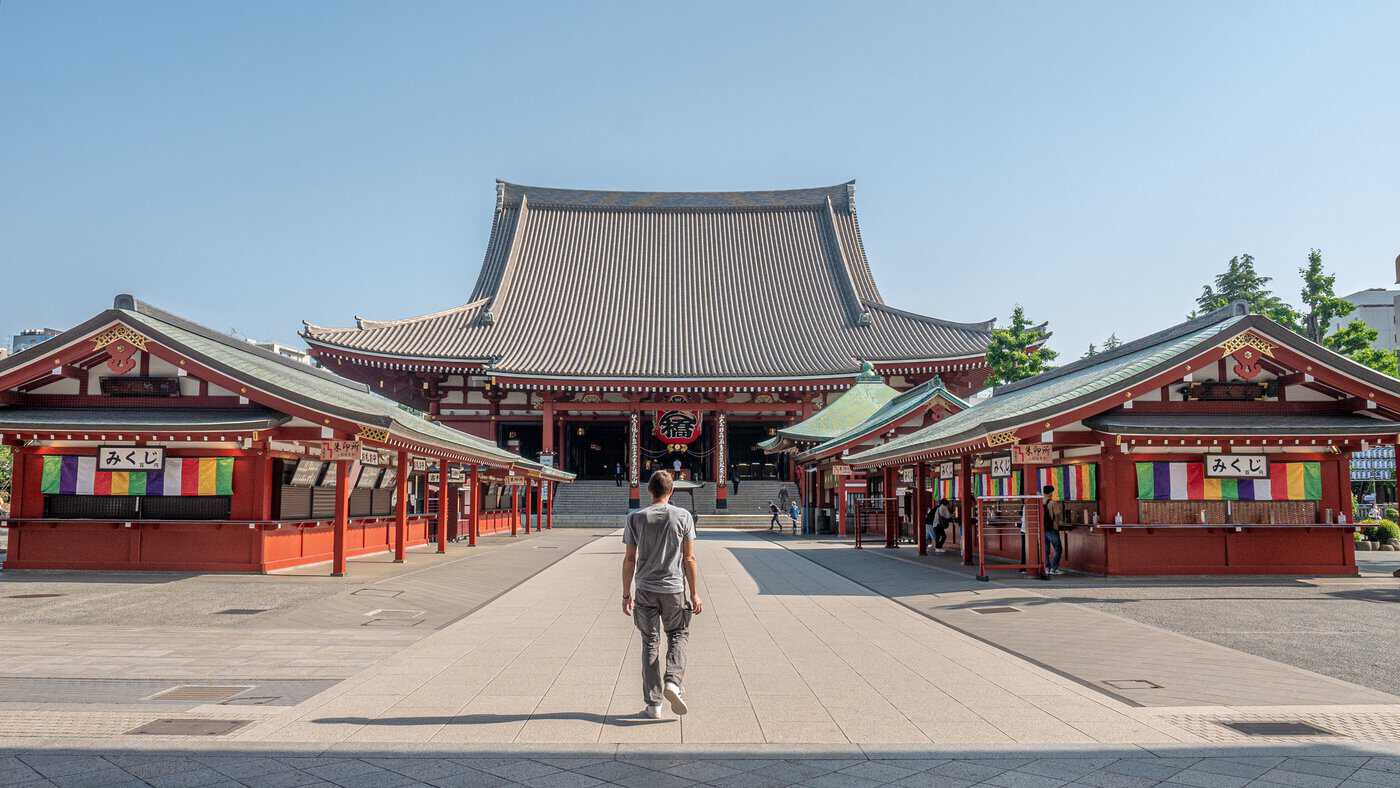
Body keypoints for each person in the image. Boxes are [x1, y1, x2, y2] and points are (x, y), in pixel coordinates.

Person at [622, 471, 703, 719]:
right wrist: (695, 593)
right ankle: (673, 682)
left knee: (650, 642)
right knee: (678, 634)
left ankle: (653, 704)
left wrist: (626, 594)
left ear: (649, 490)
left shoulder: (635, 518)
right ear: (672, 491)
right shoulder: (683, 516)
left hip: (645, 588)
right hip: (673, 588)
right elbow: (689, 558)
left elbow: (629, 559)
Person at [1042, 485, 1063, 575]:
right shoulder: (1052, 503)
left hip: (1043, 529)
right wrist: (1058, 524)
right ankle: (1054, 568)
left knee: (1046, 550)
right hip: (1052, 528)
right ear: (1050, 492)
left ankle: (1047, 567)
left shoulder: (1040, 502)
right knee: (1058, 548)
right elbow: (1058, 515)